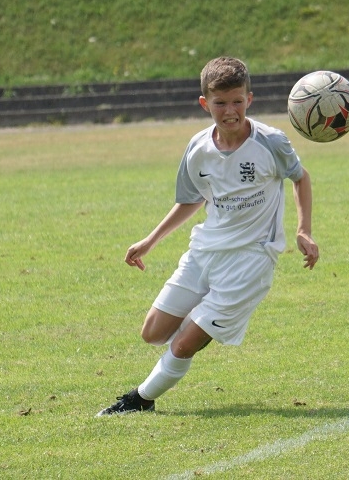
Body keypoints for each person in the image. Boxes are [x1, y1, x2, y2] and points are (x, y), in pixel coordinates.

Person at [97, 56, 319, 416]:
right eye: (220, 103)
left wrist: (303, 230)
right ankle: (198, 328)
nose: (230, 111)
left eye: (237, 101)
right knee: (153, 333)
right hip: (204, 252)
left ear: (249, 99)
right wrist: (150, 241)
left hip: (250, 260)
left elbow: (300, 177)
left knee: (183, 345)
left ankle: (140, 399)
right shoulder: (198, 148)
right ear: (205, 103)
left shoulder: (271, 142)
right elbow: (191, 200)